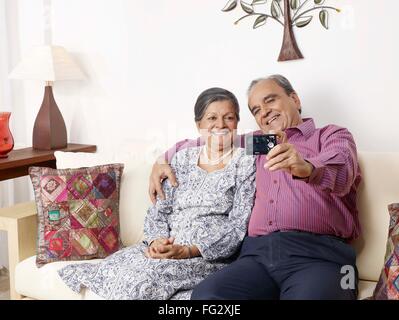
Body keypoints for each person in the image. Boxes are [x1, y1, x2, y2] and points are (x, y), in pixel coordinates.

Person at [149, 75, 361, 300]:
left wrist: (307, 167)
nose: (264, 112)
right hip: (256, 256)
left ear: (295, 99)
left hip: (321, 256)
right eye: (256, 110)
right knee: (206, 296)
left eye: (270, 100)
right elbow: (209, 139)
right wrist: (162, 160)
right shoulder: (261, 143)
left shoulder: (330, 135)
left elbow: (343, 171)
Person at [57, 87, 256, 300]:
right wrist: (156, 242)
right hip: (164, 248)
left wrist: (188, 250)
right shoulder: (182, 159)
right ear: (199, 125)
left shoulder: (245, 162)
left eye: (229, 117)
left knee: (141, 284)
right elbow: (159, 211)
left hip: (204, 256)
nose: (221, 125)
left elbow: (237, 227)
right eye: (212, 118)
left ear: (237, 122)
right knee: (112, 273)